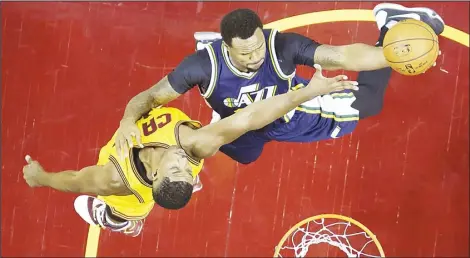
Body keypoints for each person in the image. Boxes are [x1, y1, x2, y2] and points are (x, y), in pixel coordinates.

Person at [22, 65, 359, 237]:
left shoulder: (110, 179)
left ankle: (114, 219)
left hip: (129, 194)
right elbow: (249, 118)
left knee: (121, 212)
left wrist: (40, 178)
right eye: (187, 170)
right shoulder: (195, 147)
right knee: (236, 123)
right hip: (142, 173)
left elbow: (73, 181)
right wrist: (306, 92)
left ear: (156, 173)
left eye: (177, 169)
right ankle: (140, 214)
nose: (184, 162)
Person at [113, 3, 445, 165]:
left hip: (290, 111)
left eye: (258, 45)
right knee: (243, 156)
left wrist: (394, 55)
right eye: (245, 52)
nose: (256, 55)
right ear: (225, 47)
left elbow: (343, 56)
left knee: (370, 103)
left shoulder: (282, 46)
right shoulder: (201, 67)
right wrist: (128, 119)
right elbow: (150, 97)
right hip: (240, 124)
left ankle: (393, 24)